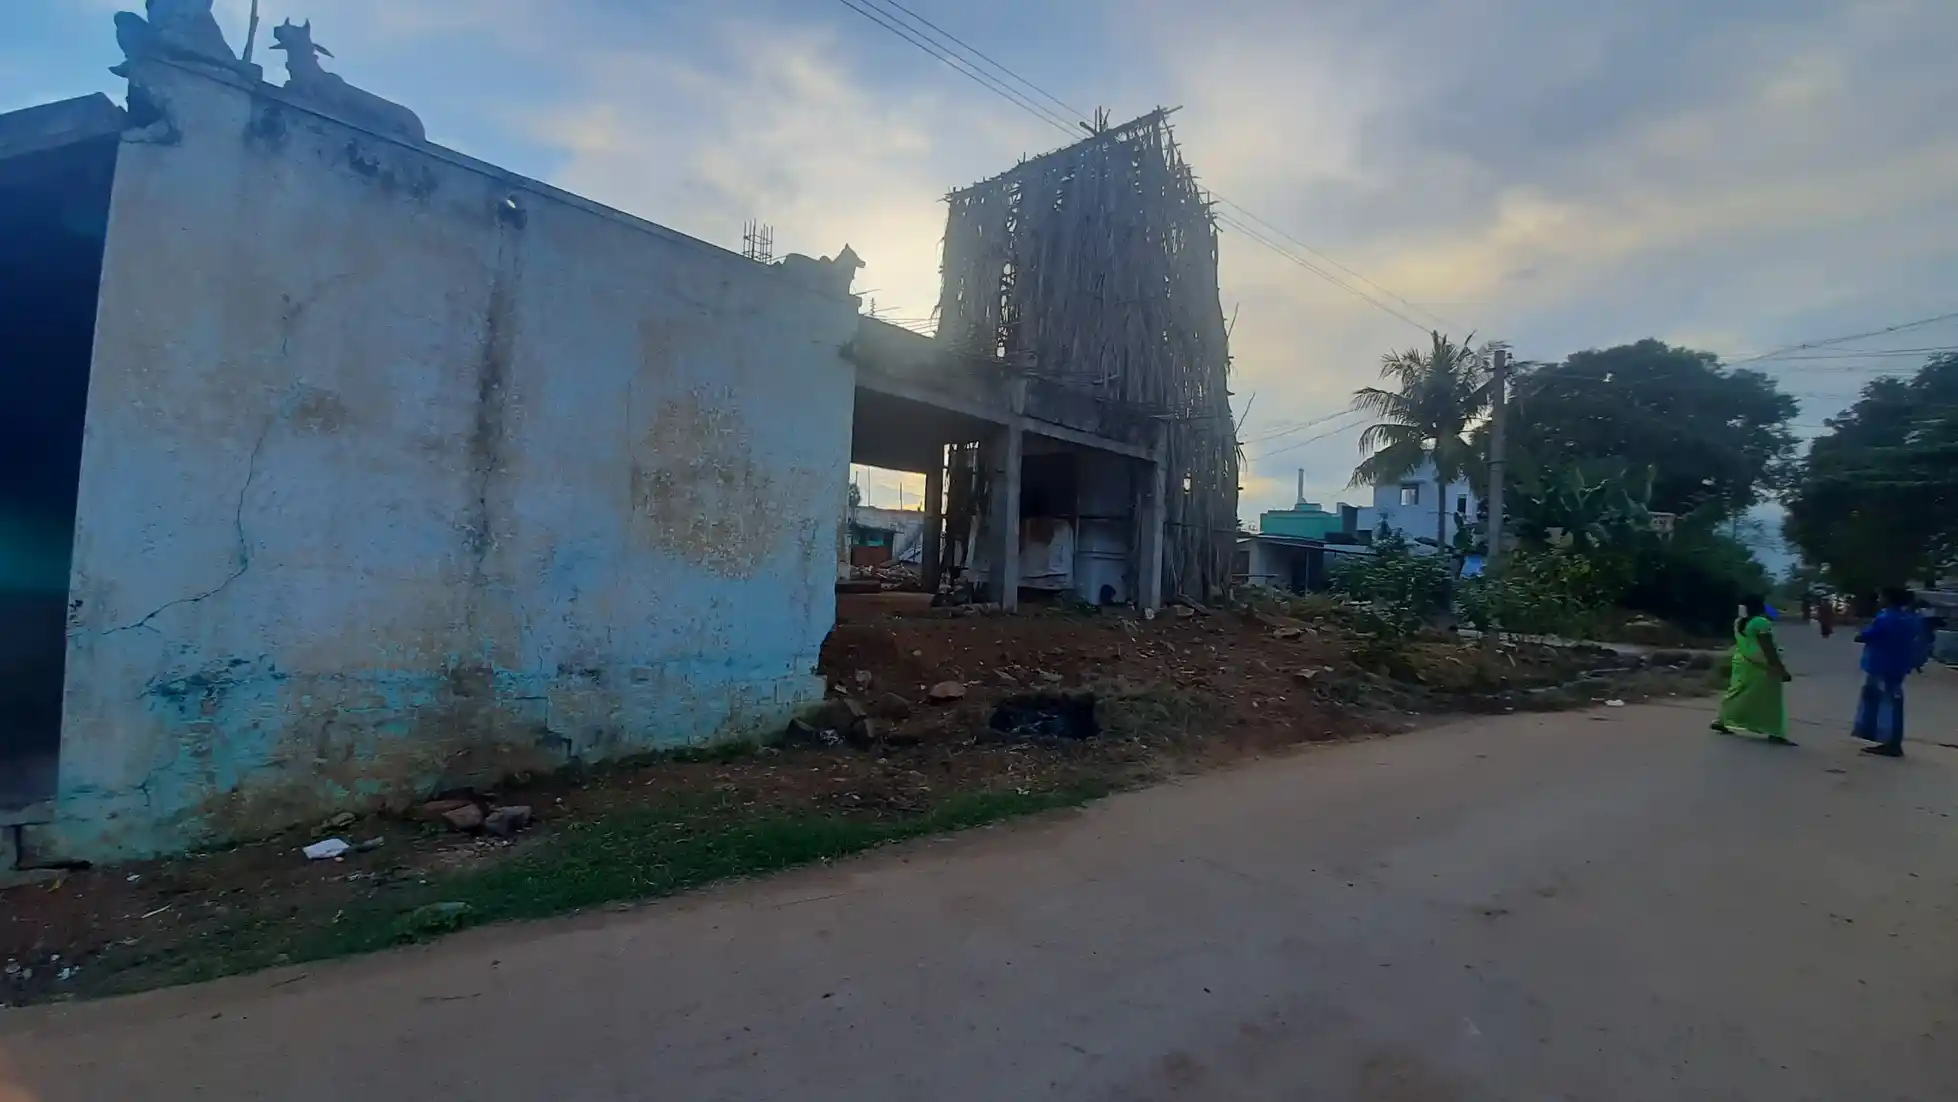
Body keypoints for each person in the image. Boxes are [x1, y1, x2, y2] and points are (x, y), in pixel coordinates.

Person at [1852, 588, 1928, 758]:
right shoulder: (1912, 619)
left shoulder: (1886, 618)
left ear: (1889, 599)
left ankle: (1889, 743)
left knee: (1884, 704)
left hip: (1880, 666)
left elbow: (1869, 635)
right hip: (1898, 667)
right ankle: (1892, 741)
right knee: (1894, 701)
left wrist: (1861, 634)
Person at [1712, 594, 1794, 743]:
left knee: (1737, 691)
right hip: (1761, 664)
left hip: (1742, 662)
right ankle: (1775, 732)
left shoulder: (1739, 622)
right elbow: (1768, 647)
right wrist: (1780, 668)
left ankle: (1721, 719)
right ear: (1760, 606)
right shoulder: (1761, 622)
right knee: (1770, 699)